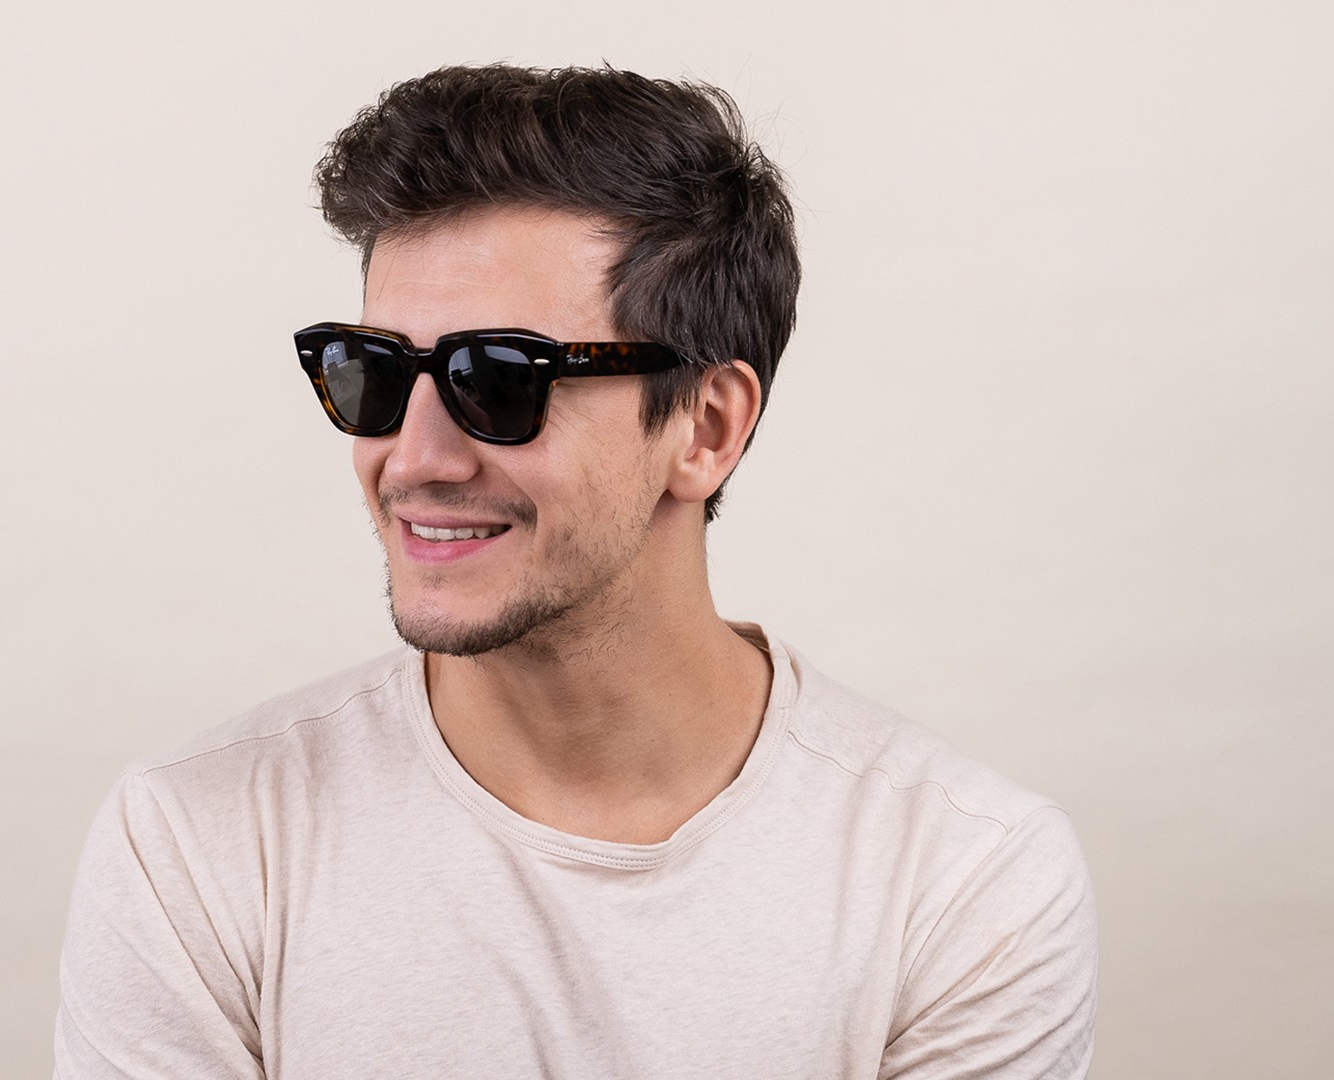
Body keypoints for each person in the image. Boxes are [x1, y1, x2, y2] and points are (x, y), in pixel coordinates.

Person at [54, 64, 1097, 1079]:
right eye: (373, 371)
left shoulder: (961, 882)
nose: (413, 459)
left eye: (499, 379)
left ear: (706, 427)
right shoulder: (197, 845)